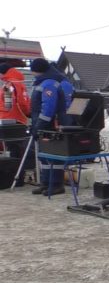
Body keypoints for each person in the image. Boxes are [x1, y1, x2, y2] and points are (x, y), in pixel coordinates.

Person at [28, 58, 71, 195]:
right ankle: (46, 183)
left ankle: (56, 184)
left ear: (37, 70)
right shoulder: (43, 82)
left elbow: (48, 109)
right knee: (43, 156)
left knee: (53, 155)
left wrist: (39, 125)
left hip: (50, 125)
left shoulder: (49, 84)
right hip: (43, 124)